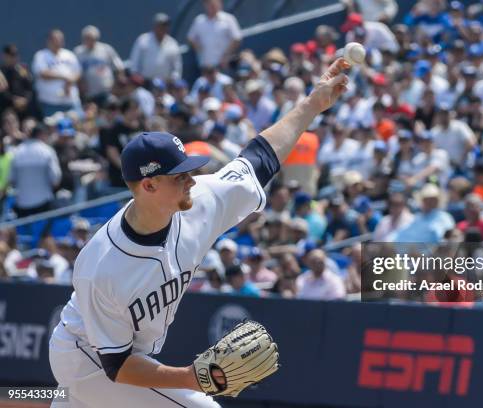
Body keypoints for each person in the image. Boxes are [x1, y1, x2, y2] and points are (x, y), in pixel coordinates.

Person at [48, 58, 350, 407]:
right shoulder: (103, 266)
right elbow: (117, 366)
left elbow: (260, 157)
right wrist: (191, 377)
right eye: (180, 176)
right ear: (148, 185)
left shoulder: (199, 200)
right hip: (88, 361)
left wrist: (313, 103)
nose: (191, 180)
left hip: (123, 357)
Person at [187, 0, 242, 69]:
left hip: (224, 65)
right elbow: (190, 38)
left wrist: (226, 55)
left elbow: (237, 38)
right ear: (205, 5)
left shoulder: (228, 19)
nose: (213, 6)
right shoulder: (199, 20)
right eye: (210, 4)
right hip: (206, 66)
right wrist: (199, 49)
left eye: (215, 3)